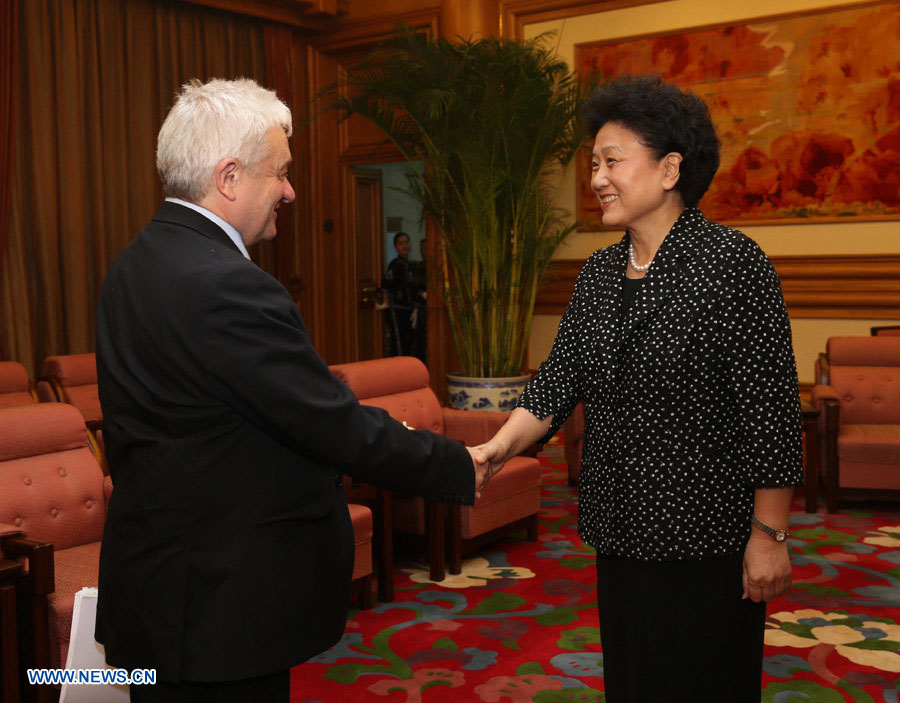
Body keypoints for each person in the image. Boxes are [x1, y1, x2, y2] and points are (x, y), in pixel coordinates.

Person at [95, 78, 489, 703]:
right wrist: (456, 464)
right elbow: (329, 423)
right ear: (229, 176)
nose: (290, 190)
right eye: (279, 172)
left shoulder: (134, 264)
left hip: (157, 592)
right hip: (218, 611)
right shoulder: (228, 284)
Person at [476, 75, 803, 702]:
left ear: (670, 168)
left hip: (708, 540)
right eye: (593, 163)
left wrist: (771, 536)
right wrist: (496, 450)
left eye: (612, 161)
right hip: (621, 534)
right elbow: (553, 386)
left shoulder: (733, 264)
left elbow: (771, 417)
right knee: (634, 683)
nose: (597, 178)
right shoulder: (599, 274)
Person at [382, 231, 426, 361]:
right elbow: (385, 285)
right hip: (398, 310)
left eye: (406, 242)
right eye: (400, 243)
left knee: (411, 343)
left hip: (411, 310)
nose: (404, 246)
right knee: (399, 342)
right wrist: (385, 304)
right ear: (396, 247)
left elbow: (416, 287)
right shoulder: (394, 265)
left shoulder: (412, 266)